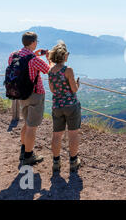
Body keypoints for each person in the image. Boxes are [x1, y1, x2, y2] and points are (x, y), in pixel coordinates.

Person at [8, 31, 52, 166]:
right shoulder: (34, 60)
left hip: (21, 94)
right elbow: (49, 70)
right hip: (35, 94)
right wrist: (49, 59)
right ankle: (28, 156)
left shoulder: (14, 55)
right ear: (33, 42)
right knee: (32, 127)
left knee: (27, 124)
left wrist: (35, 53)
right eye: (36, 42)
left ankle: (23, 151)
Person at [48, 41, 82, 173]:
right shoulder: (68, 70)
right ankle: (73, 161)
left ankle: (56, 162)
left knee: (56, 135)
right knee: (73, 134)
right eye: (67, 53)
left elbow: (52, 90)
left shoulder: (51, 71)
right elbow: (73, 89)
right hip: (71, 105)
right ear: (63, 56)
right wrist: (77, 85)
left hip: (57, 106)